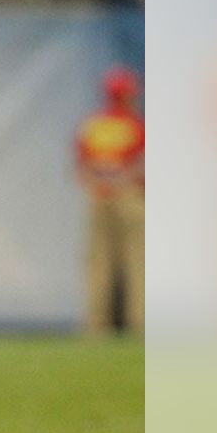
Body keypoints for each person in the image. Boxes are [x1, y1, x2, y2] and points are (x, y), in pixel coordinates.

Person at [76, 66, 145, 335]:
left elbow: (81, 167)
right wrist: (121, 183)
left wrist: (100, 184)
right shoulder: (135, 125)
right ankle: (139, 322)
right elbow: (142, 165)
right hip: (129, 197)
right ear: (126, 96)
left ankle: (96, 324)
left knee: (99, 262)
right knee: (137, 260)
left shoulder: (94, 125)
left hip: (98, 197)